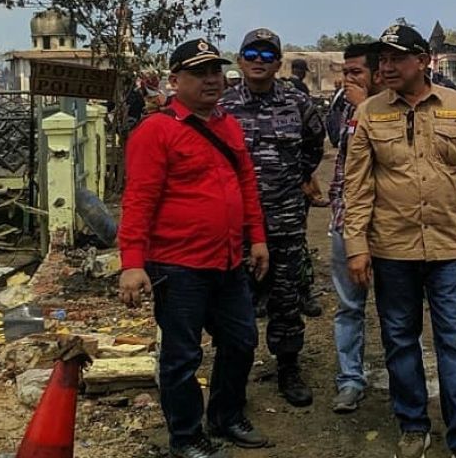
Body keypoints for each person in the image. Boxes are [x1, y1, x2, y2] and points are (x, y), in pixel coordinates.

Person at [344, 22, 456, 458]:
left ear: (423, 61)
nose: (386, 67)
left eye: (396, 59)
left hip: (447, 247)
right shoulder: (368, 113)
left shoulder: (455, 105)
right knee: (400, 339)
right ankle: (412, 423)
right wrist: (357, 247)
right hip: (392, 249)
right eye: (383, 60)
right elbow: (357, 187)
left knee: (454, 339)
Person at [118, 39, 272, 458]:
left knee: (241, 340)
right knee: (182, 357)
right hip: (177, 265)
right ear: (174, 80)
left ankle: (226, 416)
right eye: (199, 73)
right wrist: (132, 264)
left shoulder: (227, 125)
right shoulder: (156, 131)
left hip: (227, 260)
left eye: (215, 72)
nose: (211, 80)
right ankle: (186, 436)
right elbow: (138, 201)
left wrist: (256, 237)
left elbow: (245, 186)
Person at [221, 28, 326, 407]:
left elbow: (315, 144)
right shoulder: (224, 105)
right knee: (236, 301)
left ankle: (288, 368)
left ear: (278, 63)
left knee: (285, 298)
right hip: (236, 224)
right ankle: (235, 375)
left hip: (284, 219)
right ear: (240, 59)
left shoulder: (296, 102)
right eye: (252, 53)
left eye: (268, 55)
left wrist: (295, 178)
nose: (259, 61)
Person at [328, 42, 384, 414]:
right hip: (347, 222)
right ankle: (350, 379)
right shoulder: (346, 107)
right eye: (344, 72)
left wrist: (364, 107)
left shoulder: (393, 110)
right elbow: (339, 156)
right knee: (349, 306)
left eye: (355, 72)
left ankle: (404, 378)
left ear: (376, 75)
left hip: (390, 226)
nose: (347, 79)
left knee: (397, 309)